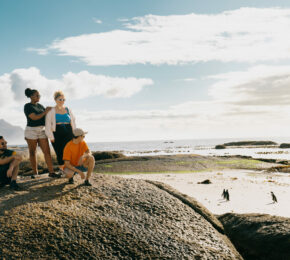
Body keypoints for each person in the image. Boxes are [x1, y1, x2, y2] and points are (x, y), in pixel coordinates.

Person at [24, 88, 60, 178]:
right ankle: (35, 173)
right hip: (31, 130)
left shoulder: (40, 105)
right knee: (33, 152)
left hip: (42, 130)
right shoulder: (27, 106)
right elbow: (34, 117)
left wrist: (52, 110)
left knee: (47, 151)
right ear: (31, 96)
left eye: (39, 95)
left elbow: (47, 116)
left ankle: (51, 172)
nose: (39, 97)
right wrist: (45, 111)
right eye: (37, 95)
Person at [45, 91, 76, 171]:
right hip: (56, 132)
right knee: (59, 152)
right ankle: (61, 170)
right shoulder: (51, 111)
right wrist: (50, 136)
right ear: (55, 100)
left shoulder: (68, 109)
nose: (62, 101)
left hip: (68, 131)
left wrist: (75, 134)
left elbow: (73, 122)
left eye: (63, 99)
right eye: (60, 99)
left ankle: (70, 170)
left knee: (69, 151)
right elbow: (47, 125)